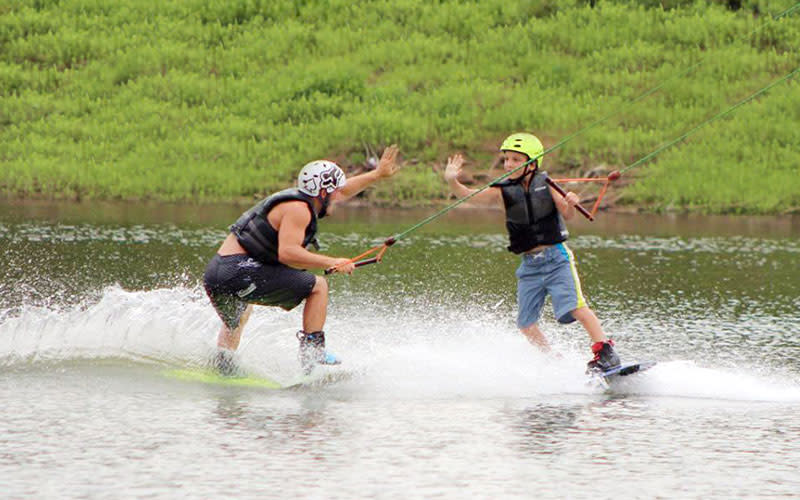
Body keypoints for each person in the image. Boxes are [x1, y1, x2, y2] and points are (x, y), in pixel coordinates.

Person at [203, 145, 400, 375]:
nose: (339, 196)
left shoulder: (300, 199)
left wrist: (377, 174)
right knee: (318, 287)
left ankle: (223, 365)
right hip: (237, 271)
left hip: (217, 274)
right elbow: (288, 253)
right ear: (323, 193)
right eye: (335, 191)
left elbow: (343, 191)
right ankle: (312, 356)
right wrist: (332, 262)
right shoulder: (299, 210)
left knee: (239, 317)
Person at [443, 133, 620, 373]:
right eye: (506, 159)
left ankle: (606, 352)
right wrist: (453, 181)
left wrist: (570, 201)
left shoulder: (546, 185)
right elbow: (470, 196)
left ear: (532, 163)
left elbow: (568, 215)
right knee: (526, 324)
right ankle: (554, 361)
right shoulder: (502, 190)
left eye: (516, 159)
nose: (509, 164)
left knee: (576, 307)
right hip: (530, 266)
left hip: (556, 259)